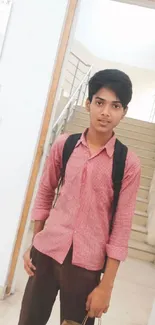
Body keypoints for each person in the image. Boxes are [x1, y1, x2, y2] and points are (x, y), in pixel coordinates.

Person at [18, 69, 141, 325]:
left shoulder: (127, 163)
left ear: (124, 112)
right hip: (47, 253)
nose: (105, 112)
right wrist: (34, 241)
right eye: (99, 102)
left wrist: (106, 287)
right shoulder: (64, 145)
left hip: (87, 266)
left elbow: (121, 227)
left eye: (115, 106)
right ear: (88, 104)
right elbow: (44, 194)